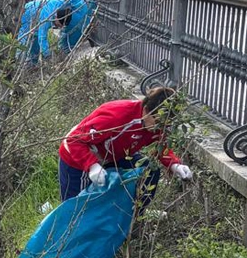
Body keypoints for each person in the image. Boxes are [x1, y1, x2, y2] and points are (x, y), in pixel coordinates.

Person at [57, 86, 192, 204]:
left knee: (150, 169)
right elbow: (74, 140)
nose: (158, 127)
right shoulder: (116, 117)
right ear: (145, 110)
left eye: (164, 124)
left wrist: (174, 164)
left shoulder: (155, 124)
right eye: (156, 121)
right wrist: (92, 165)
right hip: (78, 157)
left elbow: (160, 145)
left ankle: (133, 216)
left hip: (113, 156)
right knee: (75, 207)